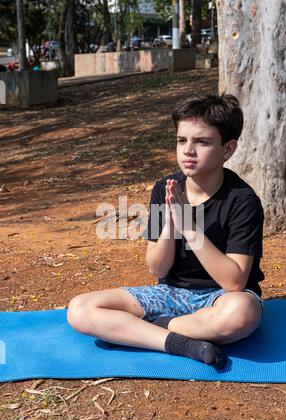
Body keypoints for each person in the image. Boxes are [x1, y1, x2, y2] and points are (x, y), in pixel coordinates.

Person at [67, 94, 265, 370]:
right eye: (182, 140)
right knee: (80, 309)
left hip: (221, 297)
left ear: (227, 150)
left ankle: (147, 329)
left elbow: (234, 282)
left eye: (202, 142)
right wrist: (171, 224)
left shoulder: (242, 200)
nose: (188, 151)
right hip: (171, 293)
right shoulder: (166, 188)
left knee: (242, 314)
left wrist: (188, 225)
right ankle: (181, 343)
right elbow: (157, 268)